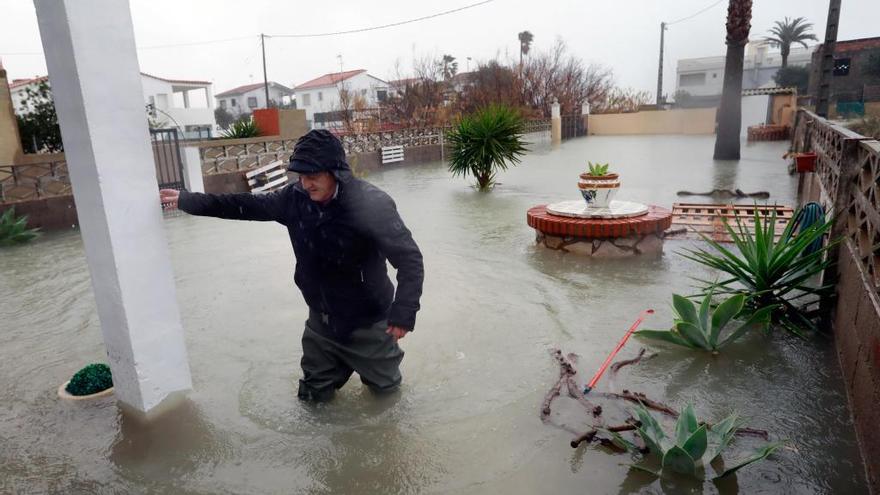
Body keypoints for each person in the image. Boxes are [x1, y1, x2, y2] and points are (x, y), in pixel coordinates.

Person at [159, 130, 424, 401]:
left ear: (336, 172)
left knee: (387, 400)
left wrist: (403, 313)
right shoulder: (294, 199)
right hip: (321, 324)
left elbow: (409, 259)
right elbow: (243, 205)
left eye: (313, 176)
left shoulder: (372, 204)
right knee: (312, 399)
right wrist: (187, 200)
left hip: (369, 324)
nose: (306, 184)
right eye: (301, 176)